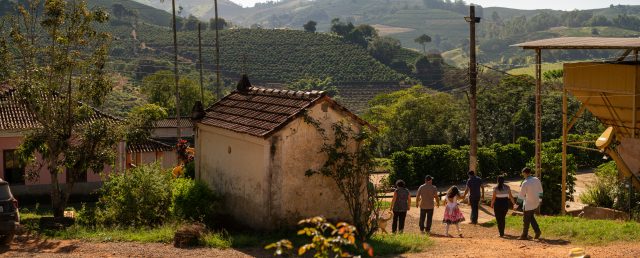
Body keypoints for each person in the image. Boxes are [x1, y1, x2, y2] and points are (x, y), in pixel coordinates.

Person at [517, 167, 543, 240]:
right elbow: (541, 191)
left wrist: (516, 205)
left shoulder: (525, 182)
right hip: (535, 202)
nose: (523, 175)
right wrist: (540, 200)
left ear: (525, 173)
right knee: (531, 217)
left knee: (526, 219)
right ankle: (537, 231)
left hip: (528, 203)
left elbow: (521, 195)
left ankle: (524, 235)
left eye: (523, 173)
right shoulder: (536, 179)